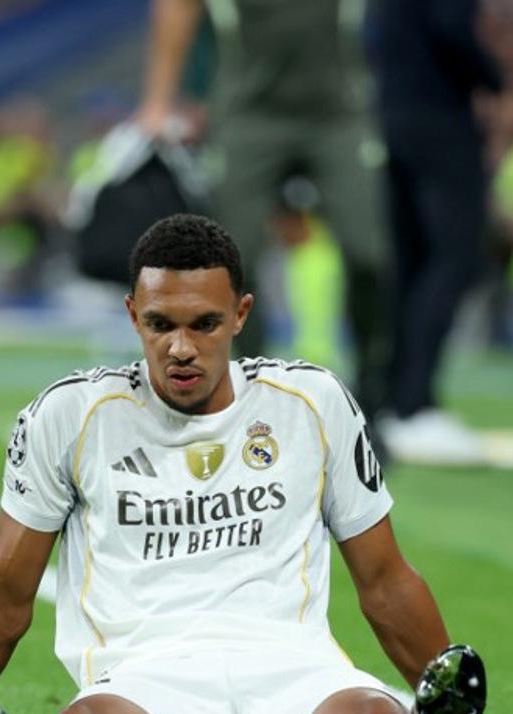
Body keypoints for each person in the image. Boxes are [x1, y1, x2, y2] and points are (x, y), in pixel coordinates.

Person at [0, 215, 513, 714]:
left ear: (241, 314)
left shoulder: (312, 402)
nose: (180, 347)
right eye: (160, 324)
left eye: (204, 323)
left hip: (294, 668)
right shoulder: (70, 415)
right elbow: (4, 596)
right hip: (144, 679)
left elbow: (386, 580)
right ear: (132, 314)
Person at [136, 0, 388, 420]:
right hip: (247, 114)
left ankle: (373, 390)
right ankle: (250, 388)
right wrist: (158, 101)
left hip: (340, 112)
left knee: (370, 253)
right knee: (232, 260)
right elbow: (177, 7)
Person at [364, 0, 504, 464]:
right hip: (441, 116)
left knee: (411, 261)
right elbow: (452, 26)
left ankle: (390, 397)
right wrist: (495, 78)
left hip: (390, 113)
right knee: (454, 257)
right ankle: (414, 403)